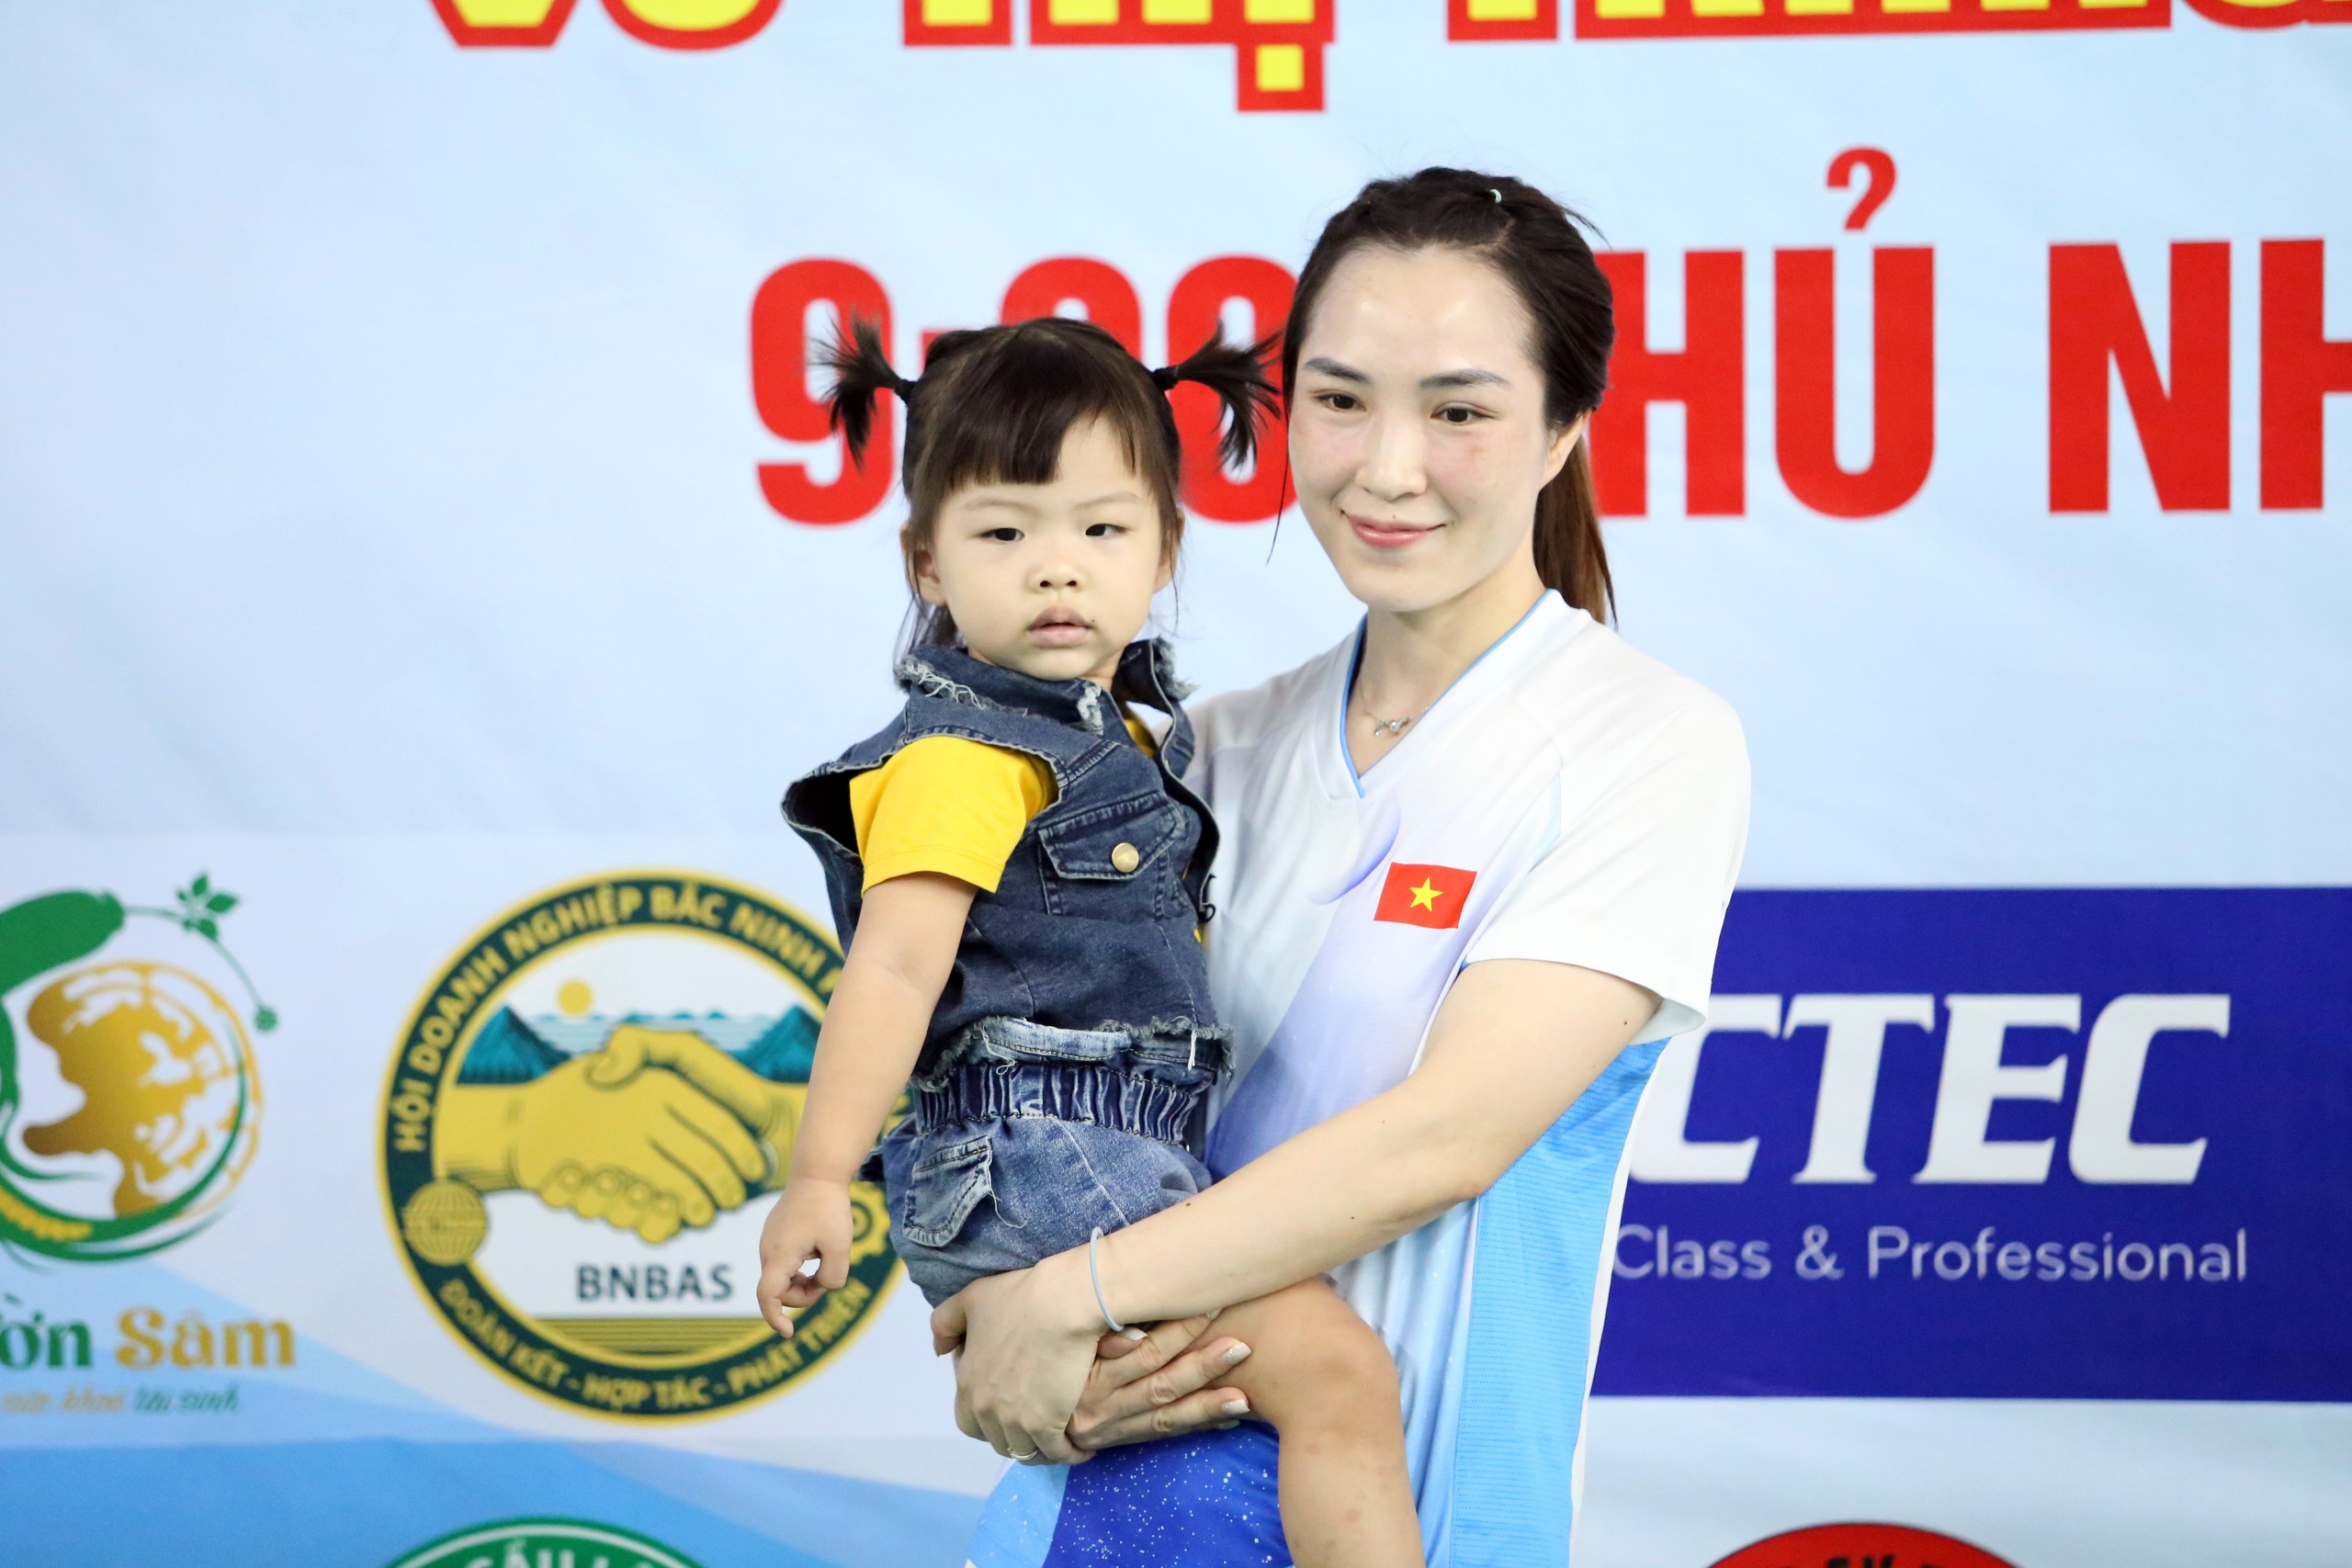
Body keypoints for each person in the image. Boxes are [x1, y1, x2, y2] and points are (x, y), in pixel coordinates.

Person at [938, 168, 1753, 1566]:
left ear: (1564, 430)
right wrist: (991, 1323)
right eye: (1340, 397)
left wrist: (1063, 1300)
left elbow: (1447, 1138)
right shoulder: (1195, 756)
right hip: (1095, 1512)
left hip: (1423, 1517)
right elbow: (1021, 1082)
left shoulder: (1646, 741)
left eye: (1458, 410)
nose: (1386, 466)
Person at [753, 316, 1426, 1568]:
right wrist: (816, 1179)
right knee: (1337, 1375)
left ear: (1166, 549)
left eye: (1102, 531)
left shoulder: (1126, 733)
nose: (1057, 571)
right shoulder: (965, 759)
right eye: (1005, 534)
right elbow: (894, 969)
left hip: (1086, 1146)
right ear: (929, 564)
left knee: (1195, 1433)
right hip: (1047, 1151)